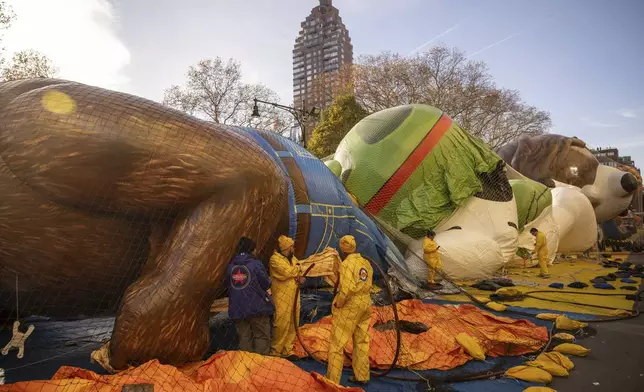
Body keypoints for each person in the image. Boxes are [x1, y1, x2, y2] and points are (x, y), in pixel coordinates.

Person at [326, 235, 373, 386]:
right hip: (365, 302)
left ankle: (332, 381)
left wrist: (339, 303)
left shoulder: (346, 264)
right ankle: (362, 375)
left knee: (337, 344)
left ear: (343, 248)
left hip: (351, 305)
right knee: (361, 340)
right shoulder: (365, 262)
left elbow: (346, 290)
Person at [225, 237, 273, 355]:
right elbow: (266, 283)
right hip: (257, 307)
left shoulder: (231, 266)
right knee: (261, 335)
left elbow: (227, 285)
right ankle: (260, 366)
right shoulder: (256, 264)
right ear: (252, 250)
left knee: (244, 338)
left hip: (238, 308)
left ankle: (246, 367)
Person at [269, 235, 305, 358]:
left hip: (294, 295)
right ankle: (276, 351)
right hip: (281, 297)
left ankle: (287, 350)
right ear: (287, 248)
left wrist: (299, 275)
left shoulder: (292, 259)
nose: (293, 249)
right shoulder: (275, 260)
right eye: (292, 247)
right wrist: (298, 270)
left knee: (293, 322)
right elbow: (286, 272)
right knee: (281, 323)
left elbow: (298, 269)